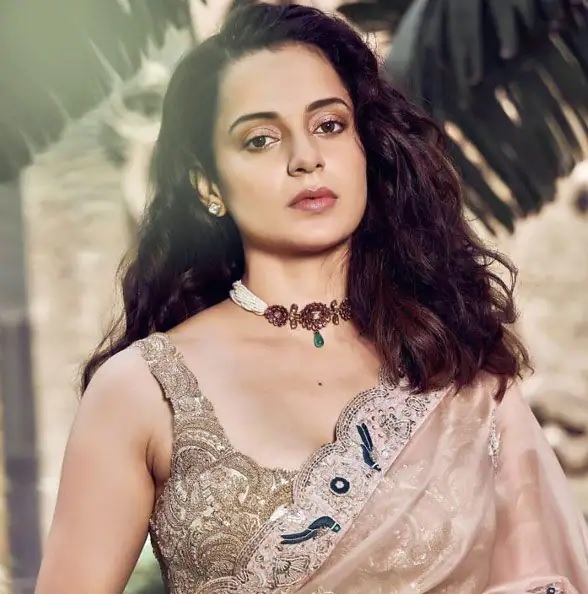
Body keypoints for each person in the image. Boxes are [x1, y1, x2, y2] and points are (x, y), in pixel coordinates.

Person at [34, 3, 588, 593]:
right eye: (260, 139)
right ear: (208, 184)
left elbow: (542, 577)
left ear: (365, 147)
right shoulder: (141, 389)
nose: (306, 159)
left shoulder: (459, 368)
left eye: (329, 125)